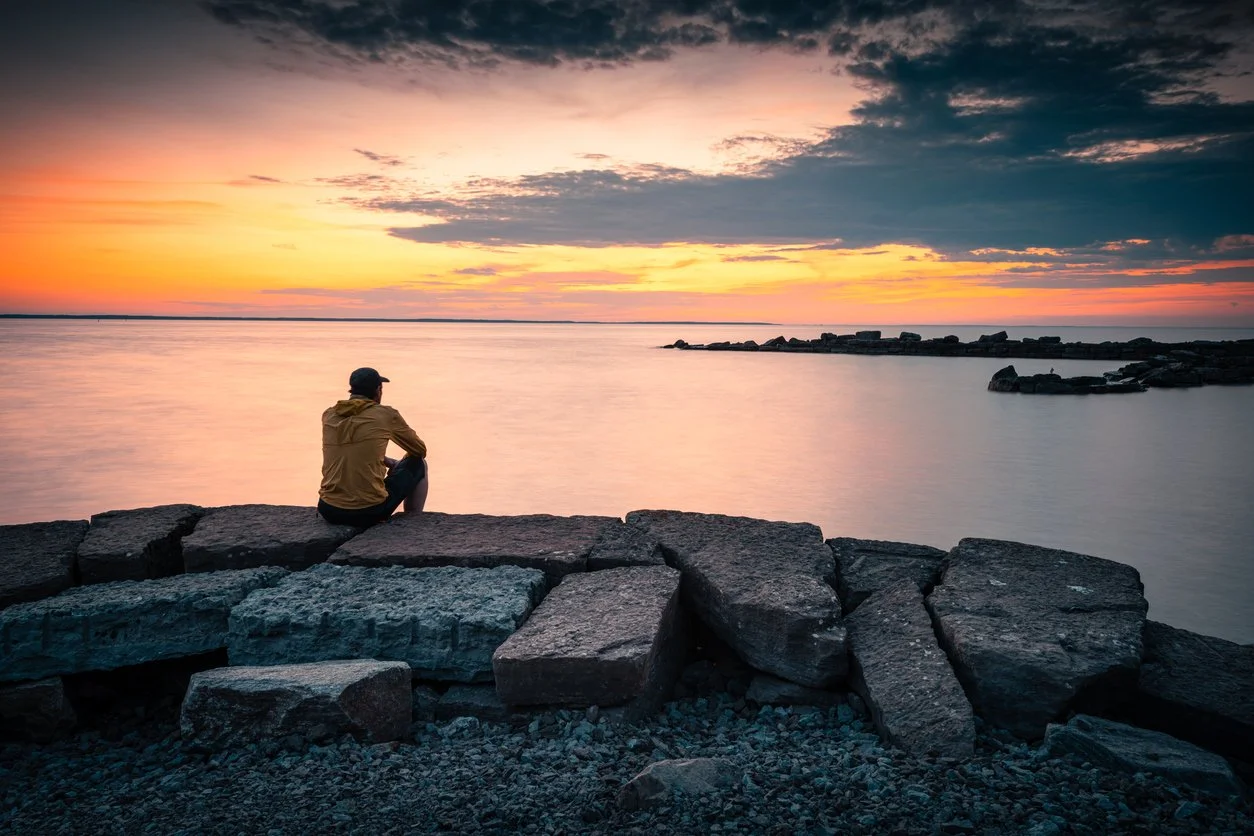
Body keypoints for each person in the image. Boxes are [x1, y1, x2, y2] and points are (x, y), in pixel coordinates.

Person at [317, 367, 428, 527]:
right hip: (368, 511)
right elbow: (419, 450)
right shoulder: (386, 415)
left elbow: (351, 449)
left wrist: (383, 459)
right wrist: (398, 464)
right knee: (418, 463)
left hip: (329, 509)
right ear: (378, 390)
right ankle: (413, 523)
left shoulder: (329, 415)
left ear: (352, 389)